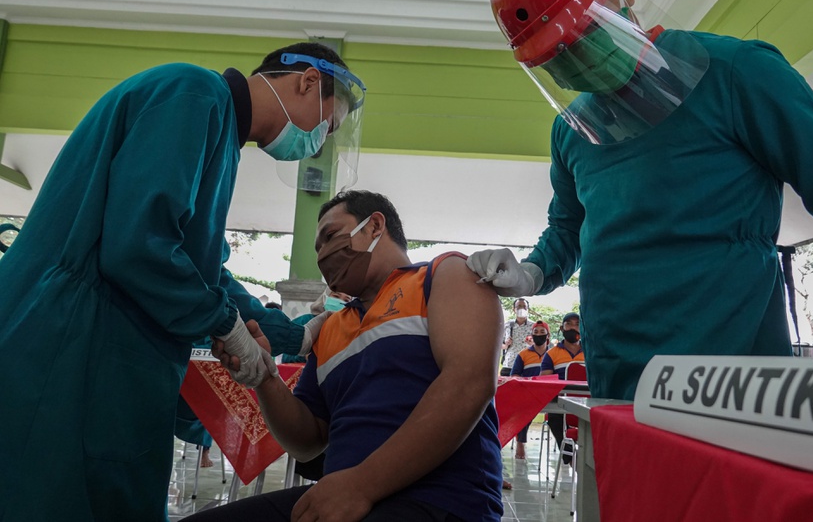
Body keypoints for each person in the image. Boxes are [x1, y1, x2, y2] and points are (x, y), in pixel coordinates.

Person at [467, 0, 813, 401]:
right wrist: (531, 273)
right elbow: (569, 229)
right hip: (617, 378)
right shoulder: (571, 133)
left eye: (584, 35)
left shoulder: (738, 74)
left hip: (735, 381)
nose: (579, 61)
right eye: (557, 56)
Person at [0, 41, 366, 522]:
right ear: (307, 81)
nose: (316, 144)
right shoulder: (192, 93)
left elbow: (203, 271)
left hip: (113, 352)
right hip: (68, 338)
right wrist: (224, 324)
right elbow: (138, 245)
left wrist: (293, 335)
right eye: (326, 126)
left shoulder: (221, 136)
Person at [194, 190, 504, 522]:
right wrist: (264, 377)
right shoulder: (331, 327)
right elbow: (307, 442)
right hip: (343, 498)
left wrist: (361, 486)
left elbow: (468, 384)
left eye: (330, 236)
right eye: (318, 249)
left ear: (374, 226)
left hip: (443, 500)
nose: (323, 255)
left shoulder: (445, 274)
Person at [540, 312, 584, 461]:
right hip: (560, 402)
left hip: (585, 401)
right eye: (569, 324)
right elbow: (545, 380)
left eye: (577, 324)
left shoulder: (590, 352)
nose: (573, 328)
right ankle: (570, 458)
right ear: (562, 328)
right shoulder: (551, 354)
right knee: (555, 418)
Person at [510, 320, 552, 459]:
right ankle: (521, 443)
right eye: (536, 332)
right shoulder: (523, 354)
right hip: (528, 394)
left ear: (548, 335)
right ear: (531, 335)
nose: (539, 335)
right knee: (523, 410)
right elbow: (515, 374)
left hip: (549, 394)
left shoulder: (553, 353)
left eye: (542, 332)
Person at [500, 297, 534, 376]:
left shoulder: (534, 326)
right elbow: (498, 344)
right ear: (514, 309)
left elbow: (540, 346)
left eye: (524, 307)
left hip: (526, 365)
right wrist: (506, 345)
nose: (522, 309)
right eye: (519, 306)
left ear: (528, 309)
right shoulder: (507, 325)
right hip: (509, 364)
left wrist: (532, 343)